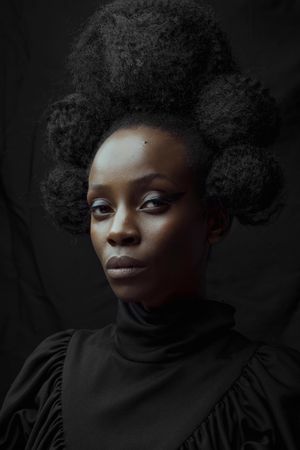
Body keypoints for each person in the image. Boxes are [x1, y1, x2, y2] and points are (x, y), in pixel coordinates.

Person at [0, 0, 299, 448]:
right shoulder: (48, 377)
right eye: (101, 208)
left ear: (214, 220)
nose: (119, 230)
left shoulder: (272, 395)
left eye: (154, 202)